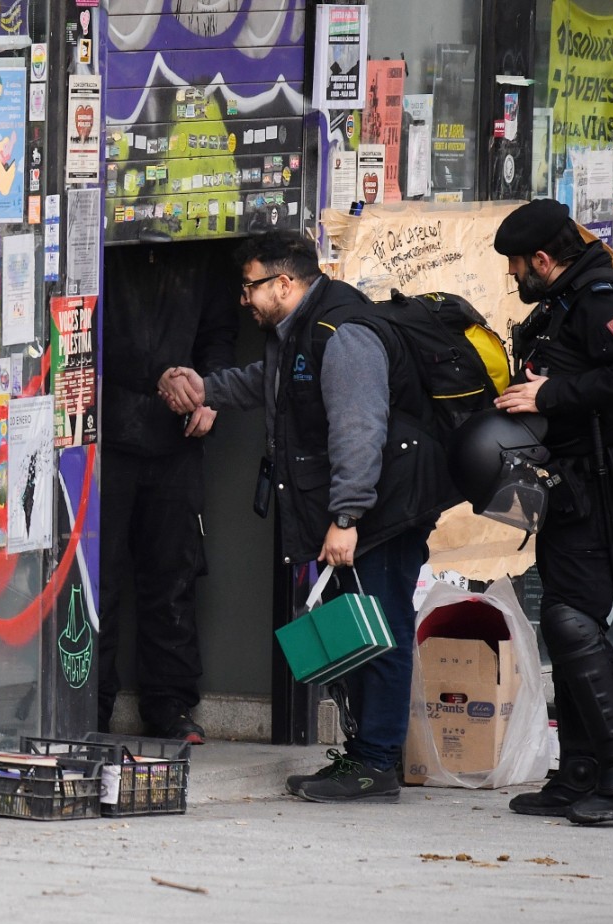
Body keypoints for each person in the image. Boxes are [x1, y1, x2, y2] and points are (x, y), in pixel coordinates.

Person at [158, 229, 455, 803]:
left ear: (285, 283)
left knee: (382, 633)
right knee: (358, 633)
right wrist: (204, 389)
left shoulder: (342, 334)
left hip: (380, 513)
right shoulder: (296, 330)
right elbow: (266, 387)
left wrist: (346, 518)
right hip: (360, 509)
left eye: (250, 287)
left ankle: (375, 765)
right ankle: (363, 757)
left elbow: (359, 431)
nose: (243, 300)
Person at [491, 198, 613, 826]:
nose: (514, 277)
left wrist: (553, 393)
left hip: (602, 482)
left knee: (571, 620)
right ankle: (581, 770)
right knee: (564, 618)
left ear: (543, 259)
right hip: (570, 481)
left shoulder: (600, 298)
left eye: (517, 265)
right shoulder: (566, 300)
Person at [96, 242, 239, 743]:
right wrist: (157, 374)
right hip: (105, 433)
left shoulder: (204, 251)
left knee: (173, 574)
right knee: (100, 577)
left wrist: (212, 393)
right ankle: (91, 702)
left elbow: (220, 334)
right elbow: (87, 329)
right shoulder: (109, 248)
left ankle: (170, 704)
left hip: (178, 436)